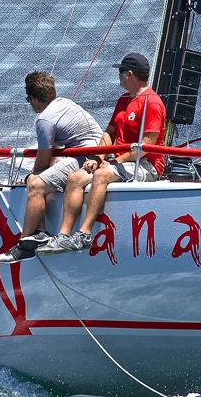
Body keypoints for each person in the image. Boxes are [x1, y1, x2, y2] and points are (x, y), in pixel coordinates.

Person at [38, 53, 166, 254]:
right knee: (75, 178)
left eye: (120, 72)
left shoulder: (153, 103)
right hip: (117, 161)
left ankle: (85, 234)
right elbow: (109, 132)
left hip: (146, 164)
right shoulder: (123, 100)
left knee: (101, 175)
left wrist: (113, 162)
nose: (119, 76)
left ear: (129, 75)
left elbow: (147, 145)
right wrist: (98, 158)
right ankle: (63, 236)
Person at [0, 72, 102, 264]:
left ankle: (23, 246)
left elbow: (44, 160)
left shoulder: (44, 119)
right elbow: (54, 152)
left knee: (36, 184)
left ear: (35, 98)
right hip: (94, 153)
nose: (30, 103)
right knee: (36, 180)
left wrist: (32, 177)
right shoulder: (64, 103)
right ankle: (40, 233)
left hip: (86, 156)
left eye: (29, 99)